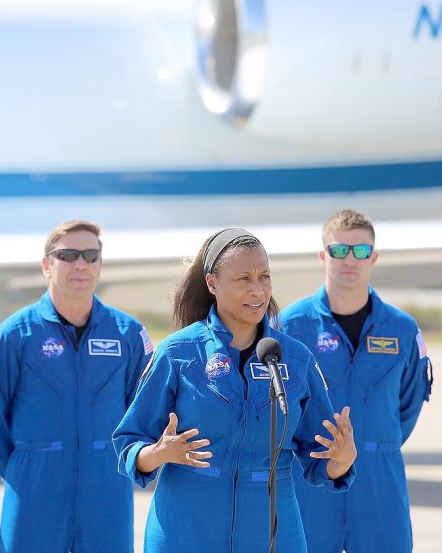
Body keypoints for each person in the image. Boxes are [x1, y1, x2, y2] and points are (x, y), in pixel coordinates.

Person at [113, 227, 356, 553]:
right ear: (213, 283)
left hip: (272, 534)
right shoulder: (178, 353)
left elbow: (320, 458)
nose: (258, 290)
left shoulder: (295, 359)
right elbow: (130, 442)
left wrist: (342, 460)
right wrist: (157, 454)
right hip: (185, 531)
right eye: (244, 279)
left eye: (264, 277)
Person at [0, 220, 154, 553]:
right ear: (46, 265)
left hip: (107, 489)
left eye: (90, 255)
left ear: (100, 265)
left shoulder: (128, 333)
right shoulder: (17, 334)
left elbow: (143, 411)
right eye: (68, 255)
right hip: (35, 487)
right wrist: (22, 466)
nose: (80, 264)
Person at [280, 209, 433, 553]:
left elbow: (408, 405)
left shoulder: (402, 330)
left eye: (360, 251)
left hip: (378, 479)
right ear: (323, 256)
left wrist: (375, 440)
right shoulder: (290, 327)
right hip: (309, 479)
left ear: (373, 258)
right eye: (338, 250)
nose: (350, 259)